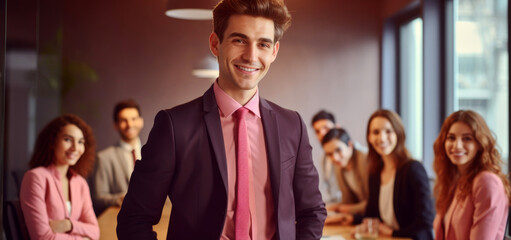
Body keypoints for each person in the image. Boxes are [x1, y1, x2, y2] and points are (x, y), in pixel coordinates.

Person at [116, 0, 326, 239]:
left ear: (274, 51)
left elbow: (312, 212)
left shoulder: (292, 126)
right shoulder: (175, 126)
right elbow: (133, 220)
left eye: (263, 44)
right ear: (215, 44)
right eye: (239, 40)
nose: (251, 56)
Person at [432, 110, 511, 239]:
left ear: (480, 144)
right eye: (451, 137)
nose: (457, 145)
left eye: (467, 138)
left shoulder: (487, 182)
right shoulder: (455, 180)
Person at [19, 114, 99, 239]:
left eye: (80, 142)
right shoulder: (35, 178)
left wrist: (69, 225)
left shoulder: (80, 183)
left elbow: (95, 231)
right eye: (67, 139)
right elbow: (43, 237)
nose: (75, 148)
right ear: (52, 142)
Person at [92, 99, 144, 214]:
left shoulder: (154, 154)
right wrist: (118, 199)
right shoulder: (103, 158)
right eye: (123, 120)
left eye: (134, 119)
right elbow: (97, 198)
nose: (129, 124)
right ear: (116, 125)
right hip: (118, 221)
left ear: (141, 121)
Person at [321, 128, 369, 224]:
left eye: (338, 150)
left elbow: (373, 204)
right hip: (361, 220)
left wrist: (339, 208)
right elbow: (348, 201)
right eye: (329, 154)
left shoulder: (365, 160)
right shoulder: (339, 167)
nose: (335, 157)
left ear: (350, 145)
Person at [311, 110, 341, 203]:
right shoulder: (323, 158)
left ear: (337, 127)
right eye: (317, 131)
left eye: (326, 128)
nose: (322, 134)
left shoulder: (353, 154)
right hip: (334, 205)